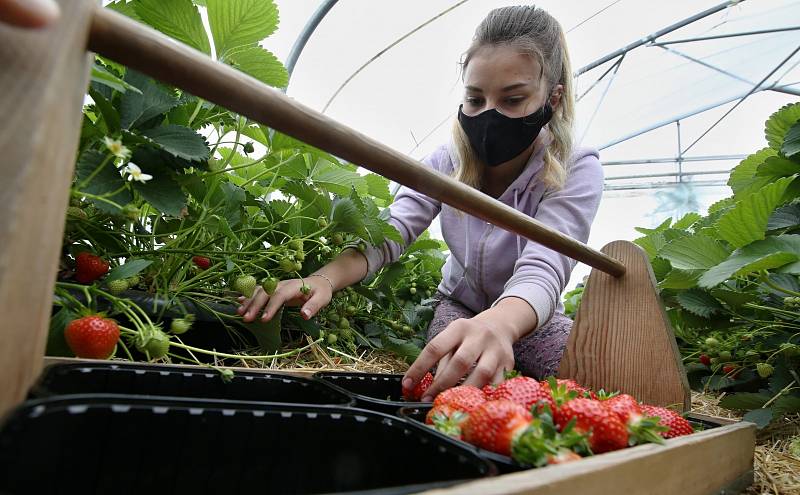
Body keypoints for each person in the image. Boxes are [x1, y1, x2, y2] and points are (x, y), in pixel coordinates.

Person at [238, 5, 603, 402]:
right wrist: (322, 279)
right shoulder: (448, 162)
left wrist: (500, 324)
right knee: (451, 387)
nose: (489, 115)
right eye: (475, 99)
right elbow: (393, 229)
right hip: (458, 309)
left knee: (589, 382)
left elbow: (544, 267)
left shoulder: (573, 168)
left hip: (531, 319)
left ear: (554, 97)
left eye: (512, 100)